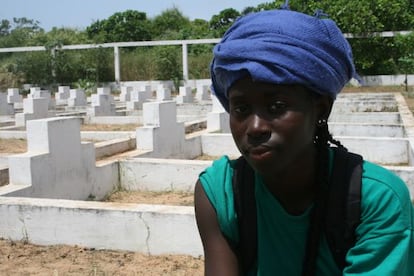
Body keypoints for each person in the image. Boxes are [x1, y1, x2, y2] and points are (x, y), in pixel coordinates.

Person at [194, 5, 414, 276]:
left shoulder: (375, 199)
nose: (255, 127)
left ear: (321, 109)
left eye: (275, 106)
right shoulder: (221, 194)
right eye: (241, 109)